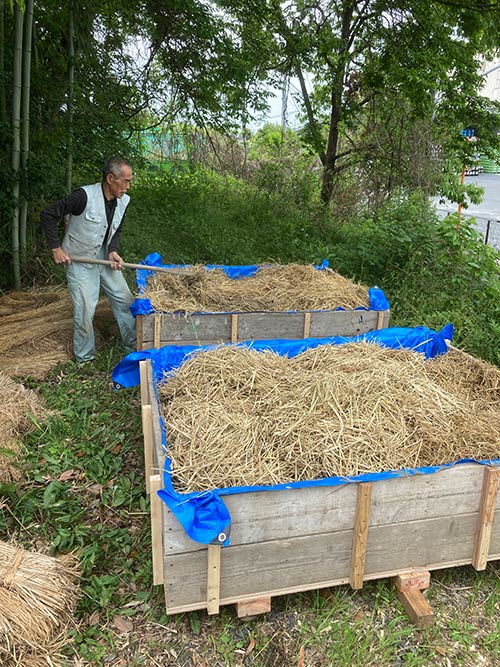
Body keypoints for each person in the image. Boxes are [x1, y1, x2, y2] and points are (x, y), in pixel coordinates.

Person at [40, 157, 137, 364]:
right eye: (125, 181)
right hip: (80, 258)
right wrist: (56, 248)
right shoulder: (82, 197)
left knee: (125, 301)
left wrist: (112, 250)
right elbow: (48, 215)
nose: (128, 186)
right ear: (111, 178)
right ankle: (86, 358)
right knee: (85, 309)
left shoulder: (124, 201)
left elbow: (116, 228)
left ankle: (133, 346)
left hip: (103, 257)